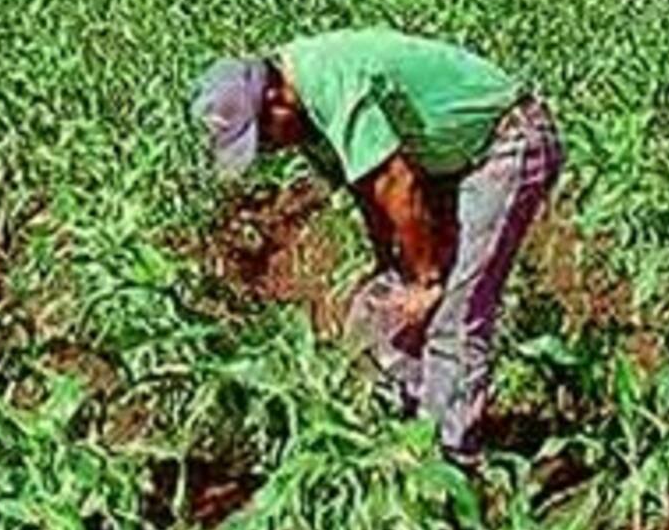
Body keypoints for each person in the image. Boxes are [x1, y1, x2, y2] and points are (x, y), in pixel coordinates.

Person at [191, 29, 563, 467]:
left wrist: (425, 280)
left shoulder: (331, 83)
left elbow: (397, 184)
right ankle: (402, 425)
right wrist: (391, 264)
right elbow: (367, 191)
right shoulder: (304, 117)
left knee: (455, 313)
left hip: (506, 141)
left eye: (265, 139)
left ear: (276, 100)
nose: (271, 152)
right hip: (444, 159)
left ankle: (449, 465)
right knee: (383, 300)